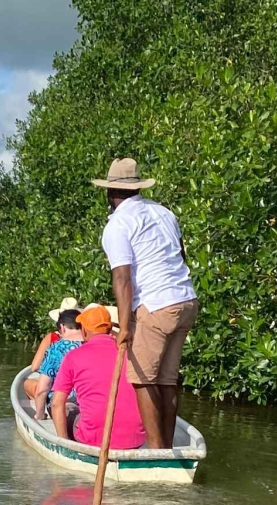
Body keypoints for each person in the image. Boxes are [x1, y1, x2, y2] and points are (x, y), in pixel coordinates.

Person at [93, 157, 198, 449]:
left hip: (155, 306)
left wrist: (124, 327)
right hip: (185, 301)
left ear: (110, 193)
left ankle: (156, 451)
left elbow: (123, 279)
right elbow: (181, 258)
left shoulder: (117, 225)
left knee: (142, 379)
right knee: (166, 380)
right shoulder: (165, 213)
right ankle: (164, 447)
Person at [50, 305, 146, 450]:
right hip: (135, 440)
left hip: (92, 440)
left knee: (67, 407)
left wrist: (64, 444)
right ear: (109, 329)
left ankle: (68, 443)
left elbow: (57, 404)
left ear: (83, 330)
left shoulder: (73, 357)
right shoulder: (131, 354)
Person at [25, 309, 84, 419]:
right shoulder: (93, 344)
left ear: (62, 327)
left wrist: (40, 415)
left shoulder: (56, 349)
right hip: (91, 403)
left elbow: (42, 390)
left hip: (62, 405)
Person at [29, 295, 79, 374]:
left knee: (27, 383)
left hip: (56, 381)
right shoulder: (86, 336)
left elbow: (35, 367)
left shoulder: (52, 338)